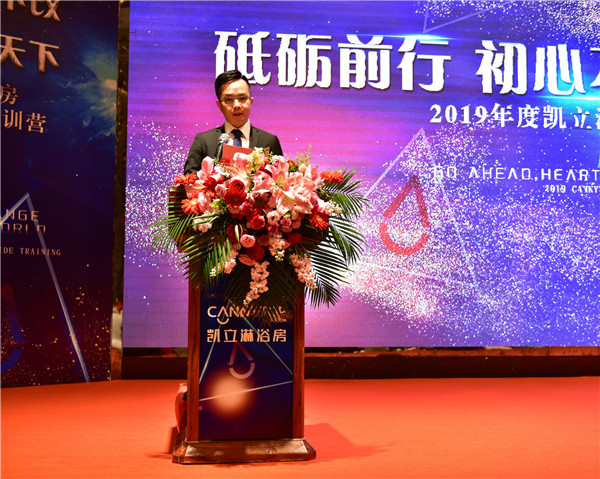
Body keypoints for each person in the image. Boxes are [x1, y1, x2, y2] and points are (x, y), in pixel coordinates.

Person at [184, 70, 283, 174]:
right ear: (219, 106)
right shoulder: (204, 141)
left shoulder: (269, 141)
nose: (236, 105)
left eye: (242, 98)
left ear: (251, 101)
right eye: (229, 100)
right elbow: (189, 178)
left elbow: (279, 177)